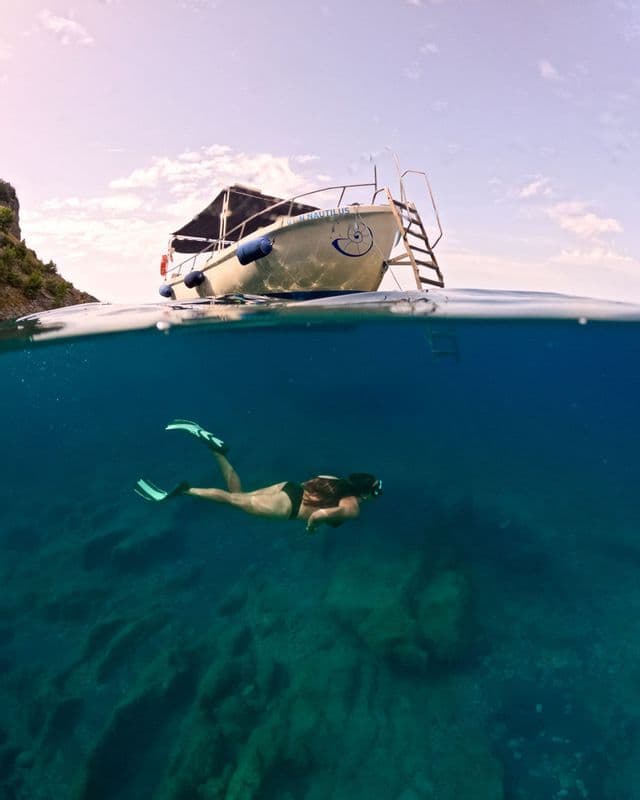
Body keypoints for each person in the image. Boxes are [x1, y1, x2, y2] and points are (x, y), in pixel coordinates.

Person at [135, 420, 382, 534]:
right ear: (366, 492)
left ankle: (217, 450)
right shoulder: (352, 506)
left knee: (237, 497)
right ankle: (186, 490)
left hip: (291, 488)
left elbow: (313, 480)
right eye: (375, 493)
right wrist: (311, 527)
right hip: (291, 507)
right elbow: (320, 514)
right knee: (233, 502)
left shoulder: (335, 479)